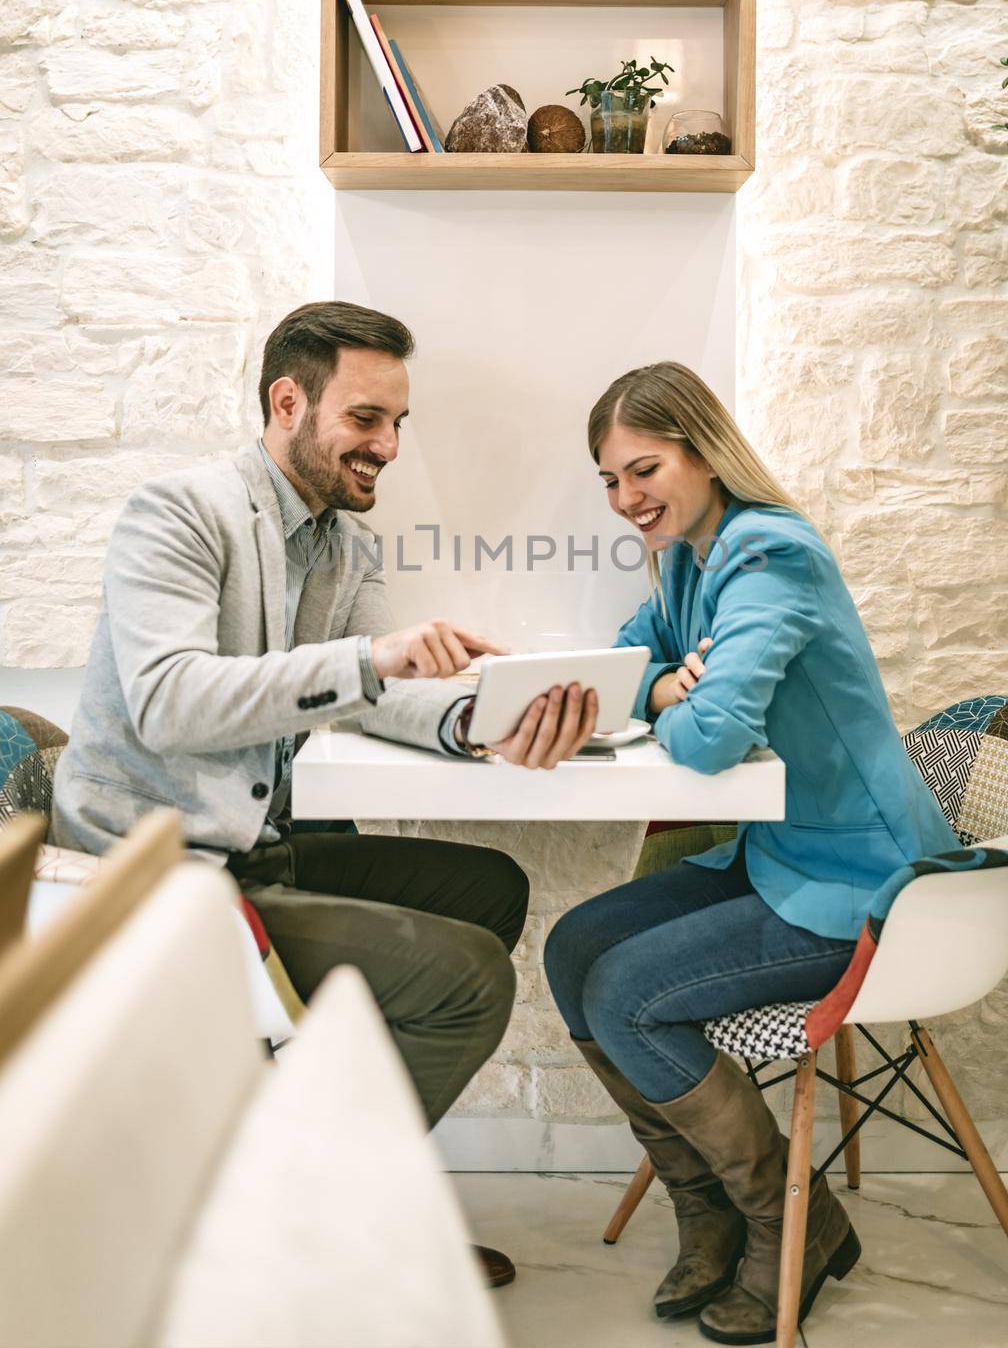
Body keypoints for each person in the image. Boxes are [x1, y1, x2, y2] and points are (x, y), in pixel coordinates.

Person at [53, 300, 597, 1289]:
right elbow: (169, 701)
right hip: (152, 881)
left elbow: (385, 687)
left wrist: (485, 718)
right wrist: (367, 657)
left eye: (397, 423)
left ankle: (304, 1157)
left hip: (245, 854)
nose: (387, 445)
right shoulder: (179, 513)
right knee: (469, 976)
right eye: (365, 418)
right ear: (287, 400)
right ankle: (316, 1227)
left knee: (490, 889)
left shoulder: (341, 548)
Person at [543, 361, 960, 1343]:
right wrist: (661, 685)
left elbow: (710, 742)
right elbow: (623, 662)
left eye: (641, 469)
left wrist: (684, 698)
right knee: (572, 951)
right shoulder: (687, 555)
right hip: (777, 854)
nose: (624, 498)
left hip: (863, 878)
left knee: (625, 995)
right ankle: (708, 1211)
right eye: (607, 480)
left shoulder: (766, 554)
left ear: (701, 450)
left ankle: (790, 1223)